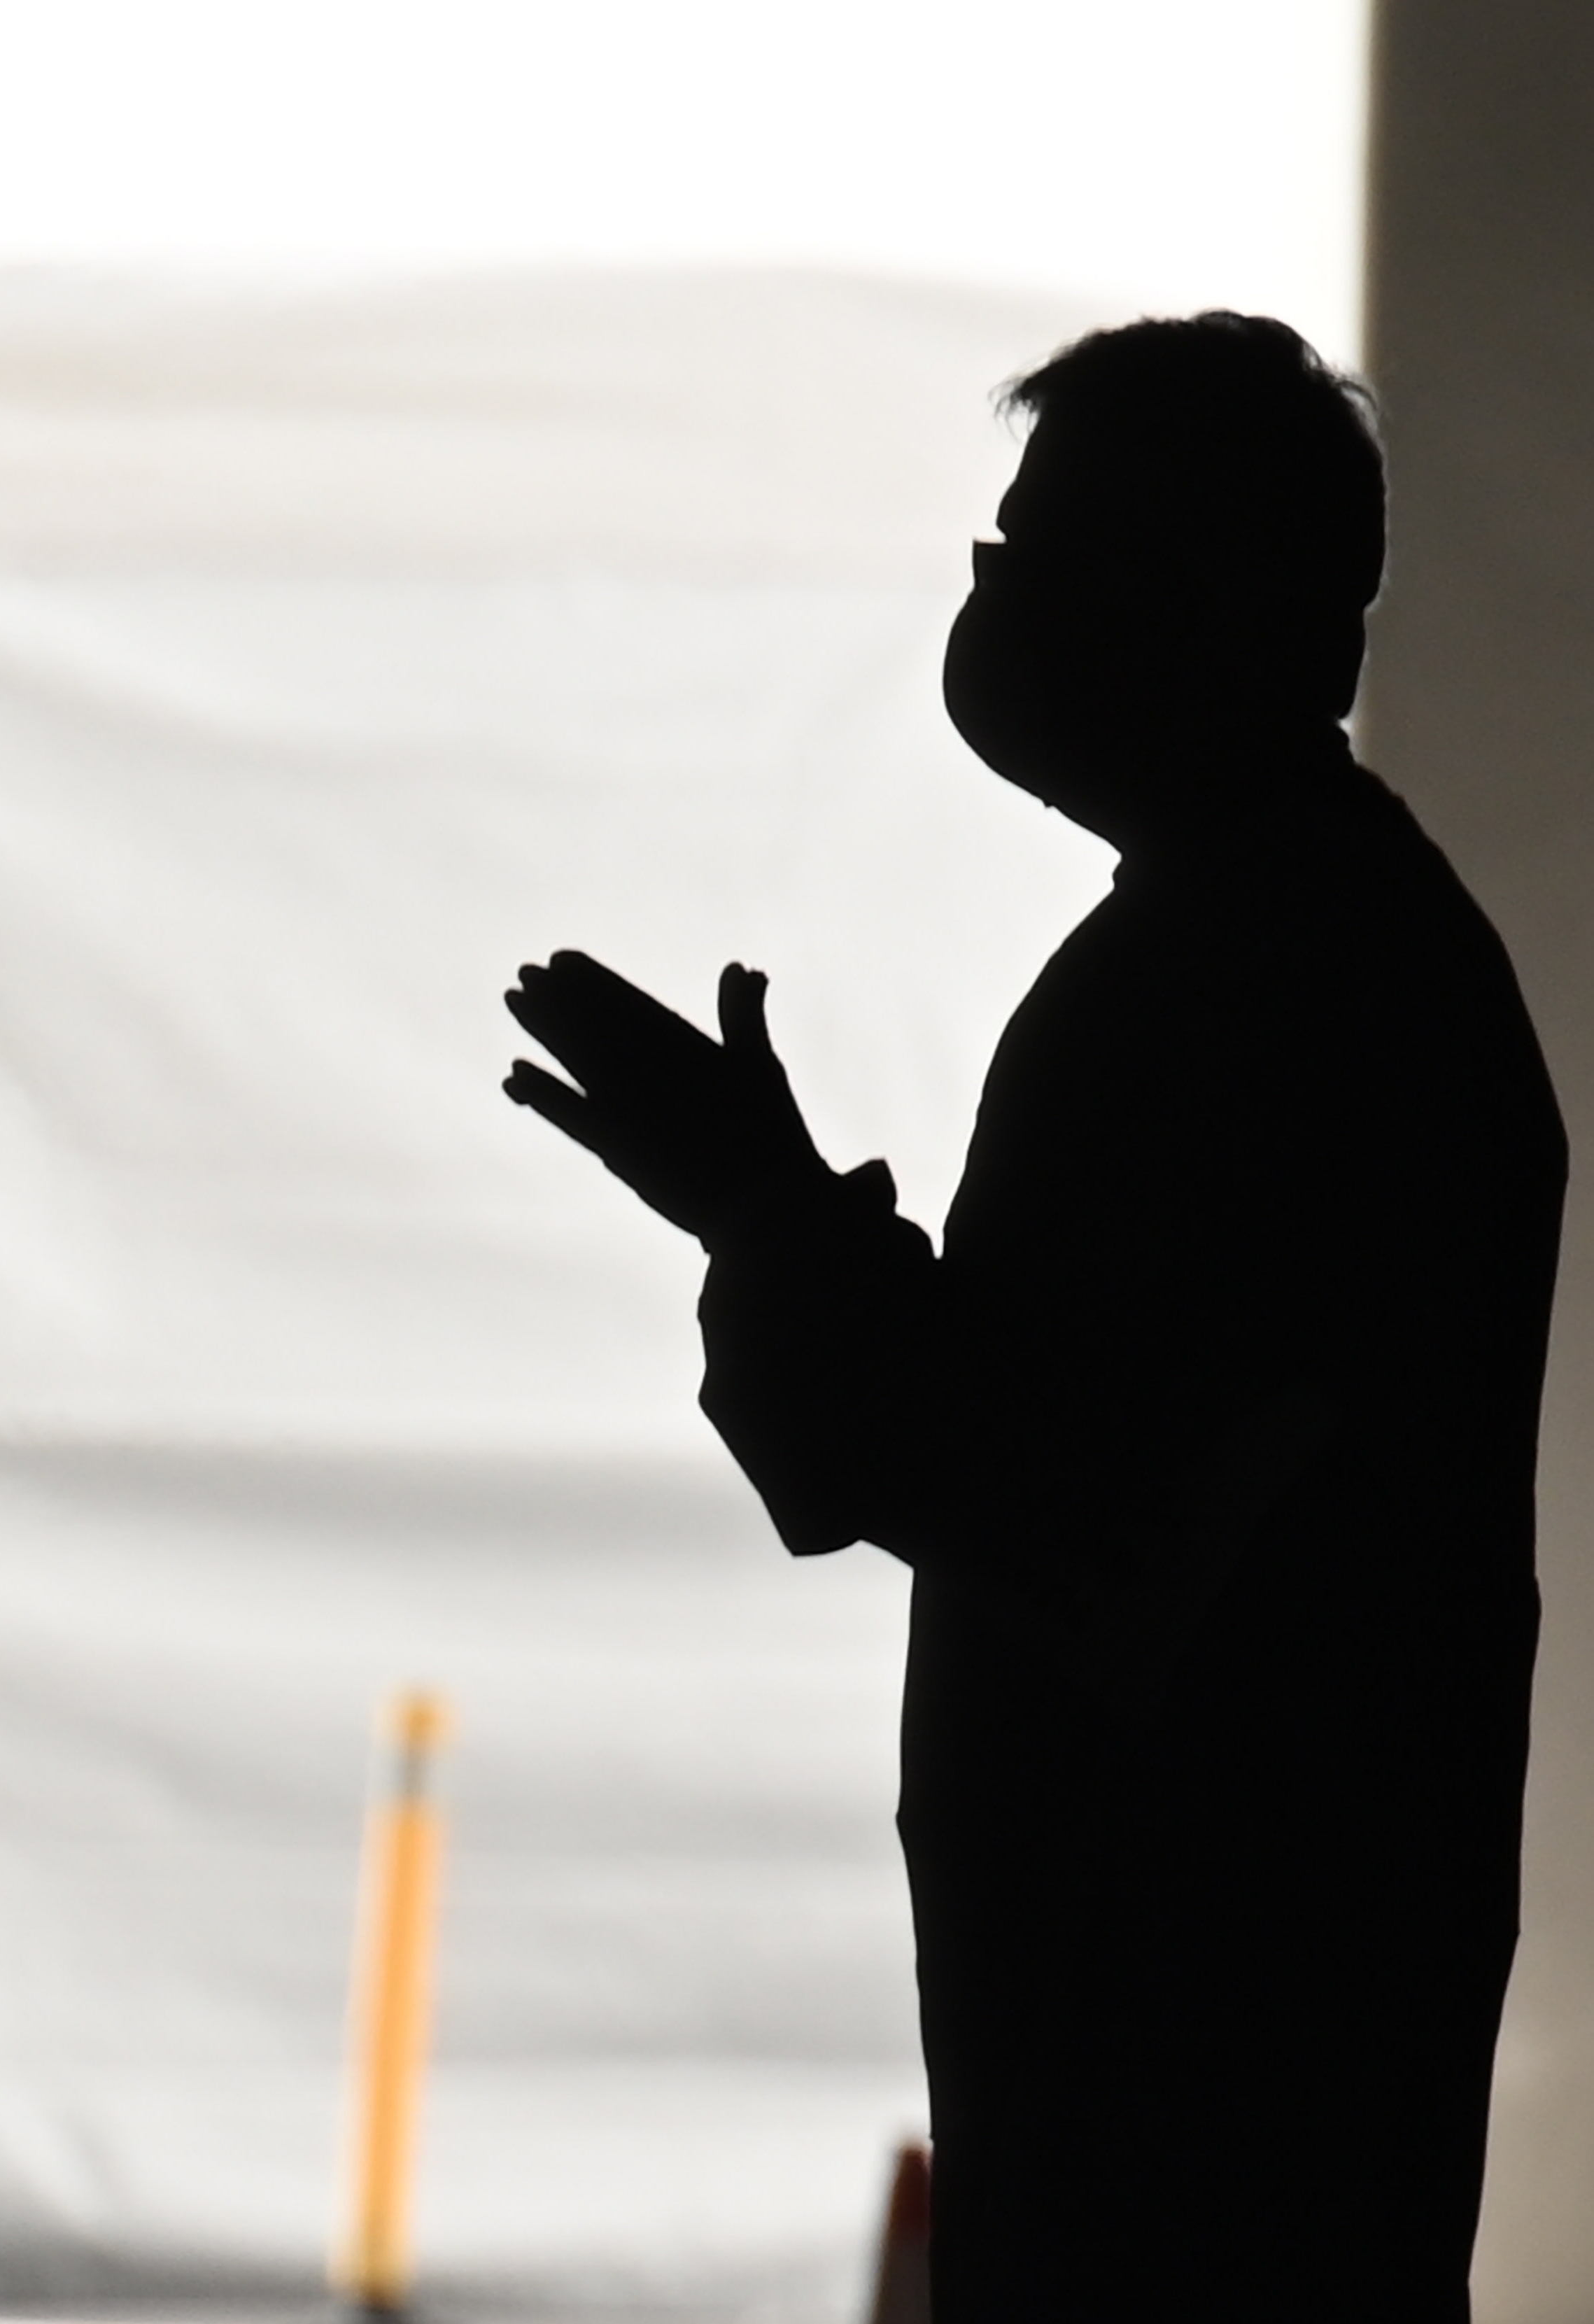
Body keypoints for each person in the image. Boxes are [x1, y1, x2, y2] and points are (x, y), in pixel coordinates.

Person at [502, 314, 1565, 2321]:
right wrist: (777, 1222)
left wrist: (762, 1212)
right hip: (1210, 2056)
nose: (991, 603)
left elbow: (1075, 1495)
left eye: (1042, 553)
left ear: (1232, 607)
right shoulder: (1270, 938)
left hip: (1210, 2087)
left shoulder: (1276, 983)